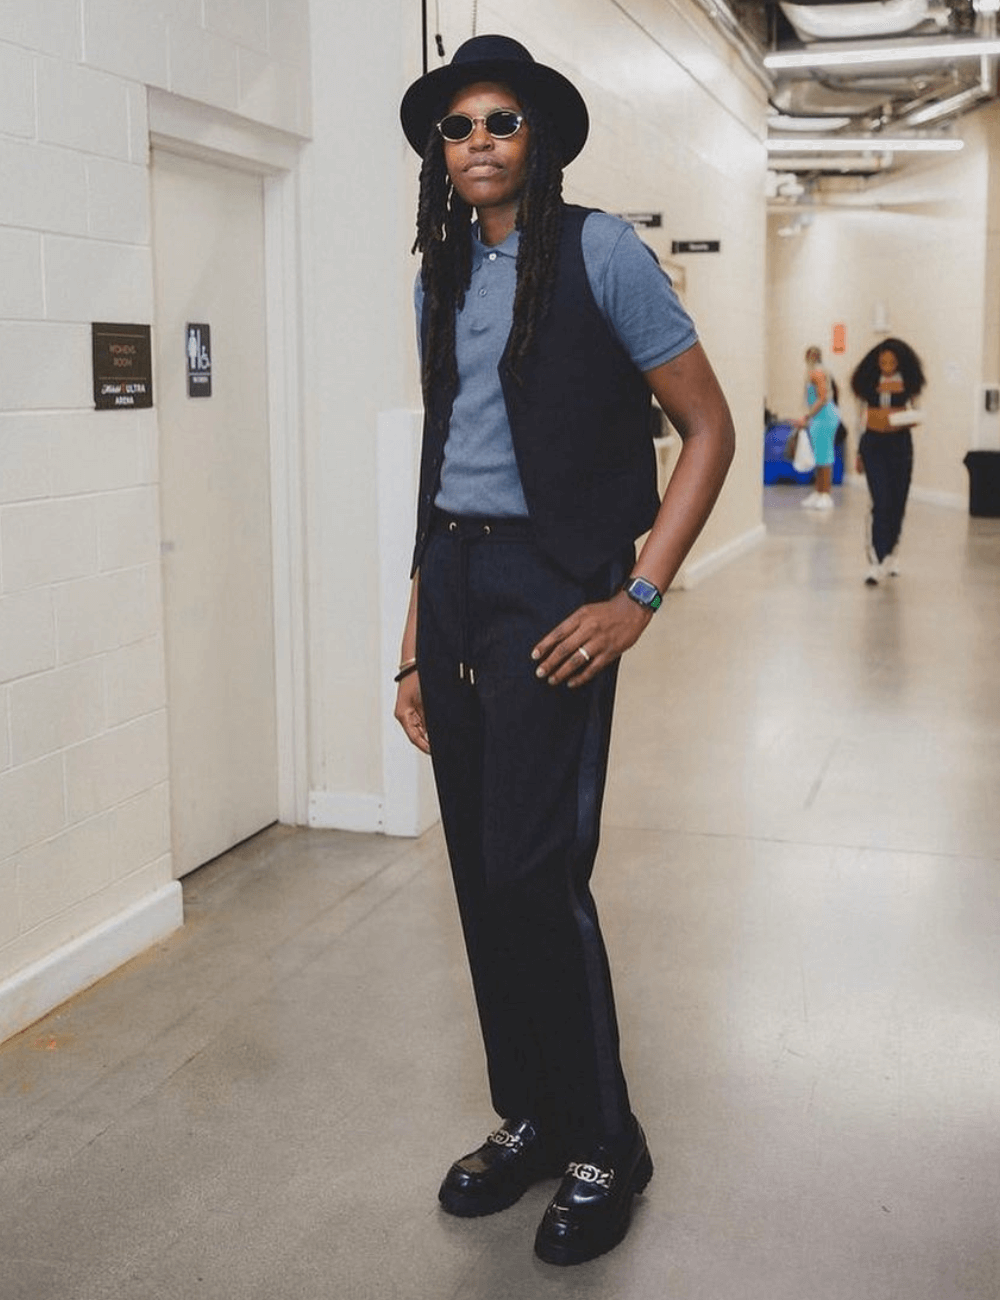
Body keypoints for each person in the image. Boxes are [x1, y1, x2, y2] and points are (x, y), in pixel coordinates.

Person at [395, 35, 735, 1266]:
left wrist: (638, 594)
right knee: (486, 879)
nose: (476, 140)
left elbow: (706, 429)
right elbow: (440, 463)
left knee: (539, 869)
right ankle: (533, 1115)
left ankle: (608, 1140)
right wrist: (414, 637)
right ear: (439, 152)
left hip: (556, 590)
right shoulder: (438, 272)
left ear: (537, 135)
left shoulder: (599, 252)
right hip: (457, 580)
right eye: (456, 125)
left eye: (500, 120)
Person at [850, 338, 926, 585]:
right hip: (873, 445)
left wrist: (907, 417)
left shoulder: (908, 384)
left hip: (900, 445)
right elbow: (859, 419)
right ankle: (875, 561)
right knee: (881, 501)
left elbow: (917, 411)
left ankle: (892, 553)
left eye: (892, 362)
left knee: (897, 502)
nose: (888, 366)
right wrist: (858, 452)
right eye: (883, 362)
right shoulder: (867, 385)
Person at [793, 345, 840, 510]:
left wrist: (806, 417)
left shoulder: (818, 373)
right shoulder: (816, 373)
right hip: (819, 418)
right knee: (819, 457)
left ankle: (826, 494)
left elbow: (822, 398)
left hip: (825, 417)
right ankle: (818, 492)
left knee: (824, 457)